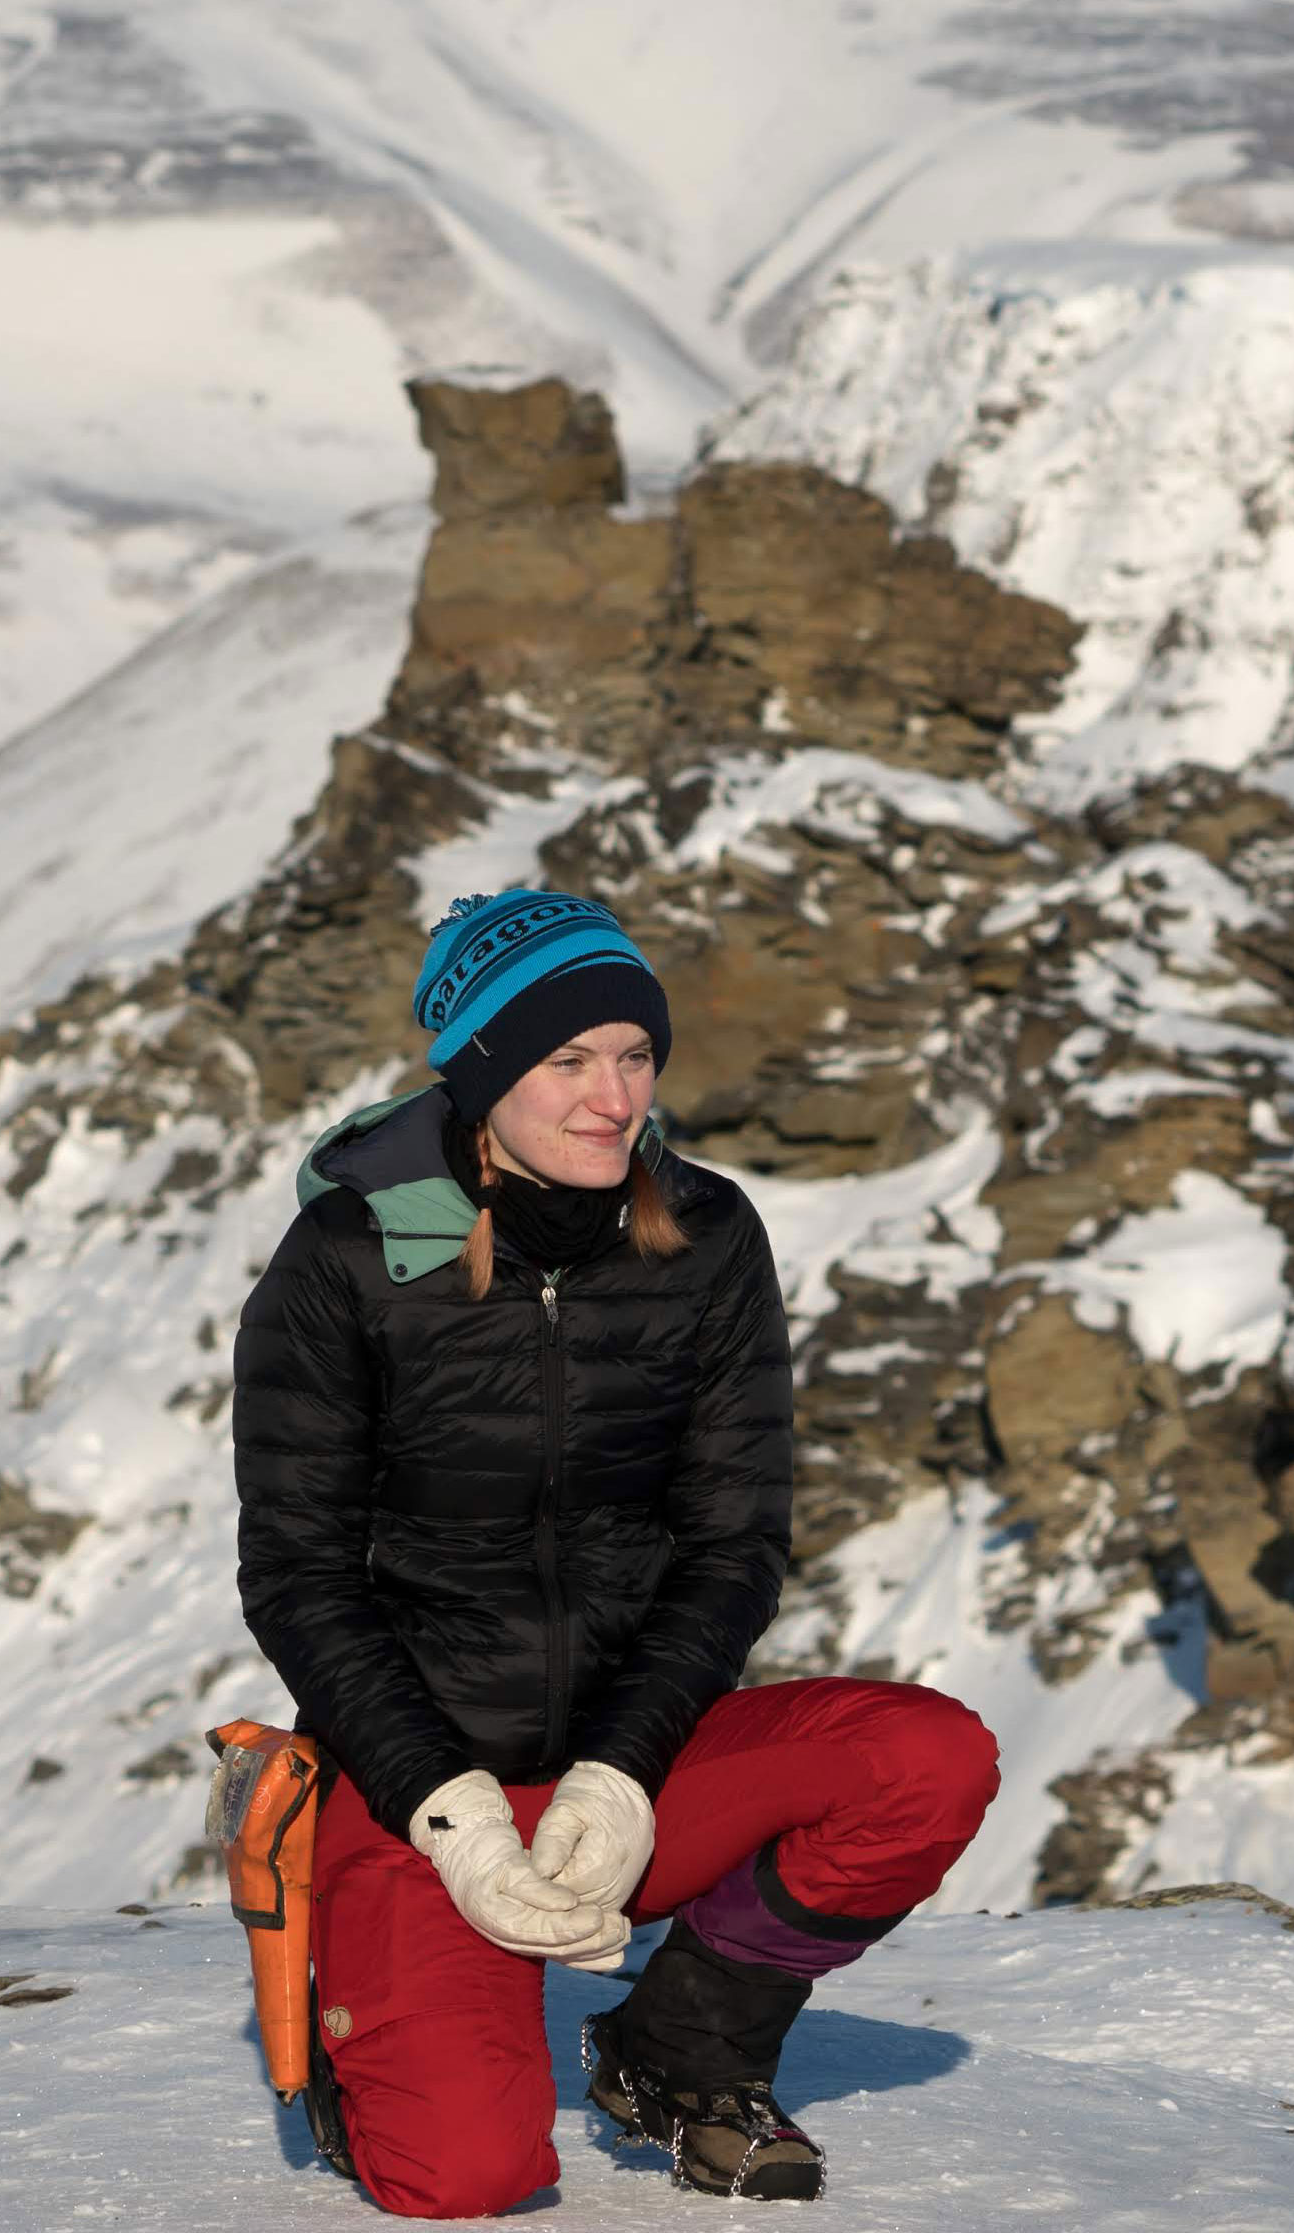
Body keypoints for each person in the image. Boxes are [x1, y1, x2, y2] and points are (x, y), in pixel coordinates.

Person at [233, 887, 1003, 2213]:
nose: (613, 1097)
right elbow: (296, 1574)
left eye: (634, 1055)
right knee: (465, 2175)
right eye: (566, 1062)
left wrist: (624, 1771)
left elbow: (732, 1540)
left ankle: (679, 2046)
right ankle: (382, 2005)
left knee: (923, 1761)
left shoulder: (704, 1236)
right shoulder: (346, 1258)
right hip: (420, 1785)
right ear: (479, 1077)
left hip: (627, 1766)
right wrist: (451, 1809)